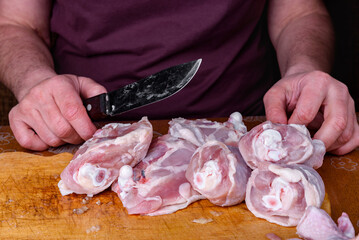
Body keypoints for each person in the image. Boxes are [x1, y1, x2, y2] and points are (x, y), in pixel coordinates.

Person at [0, 0, 357, 154]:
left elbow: (299, 12)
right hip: (82, 134)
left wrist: (304, 68)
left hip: (248, 135)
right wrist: (35, 81)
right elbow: (16, 23)